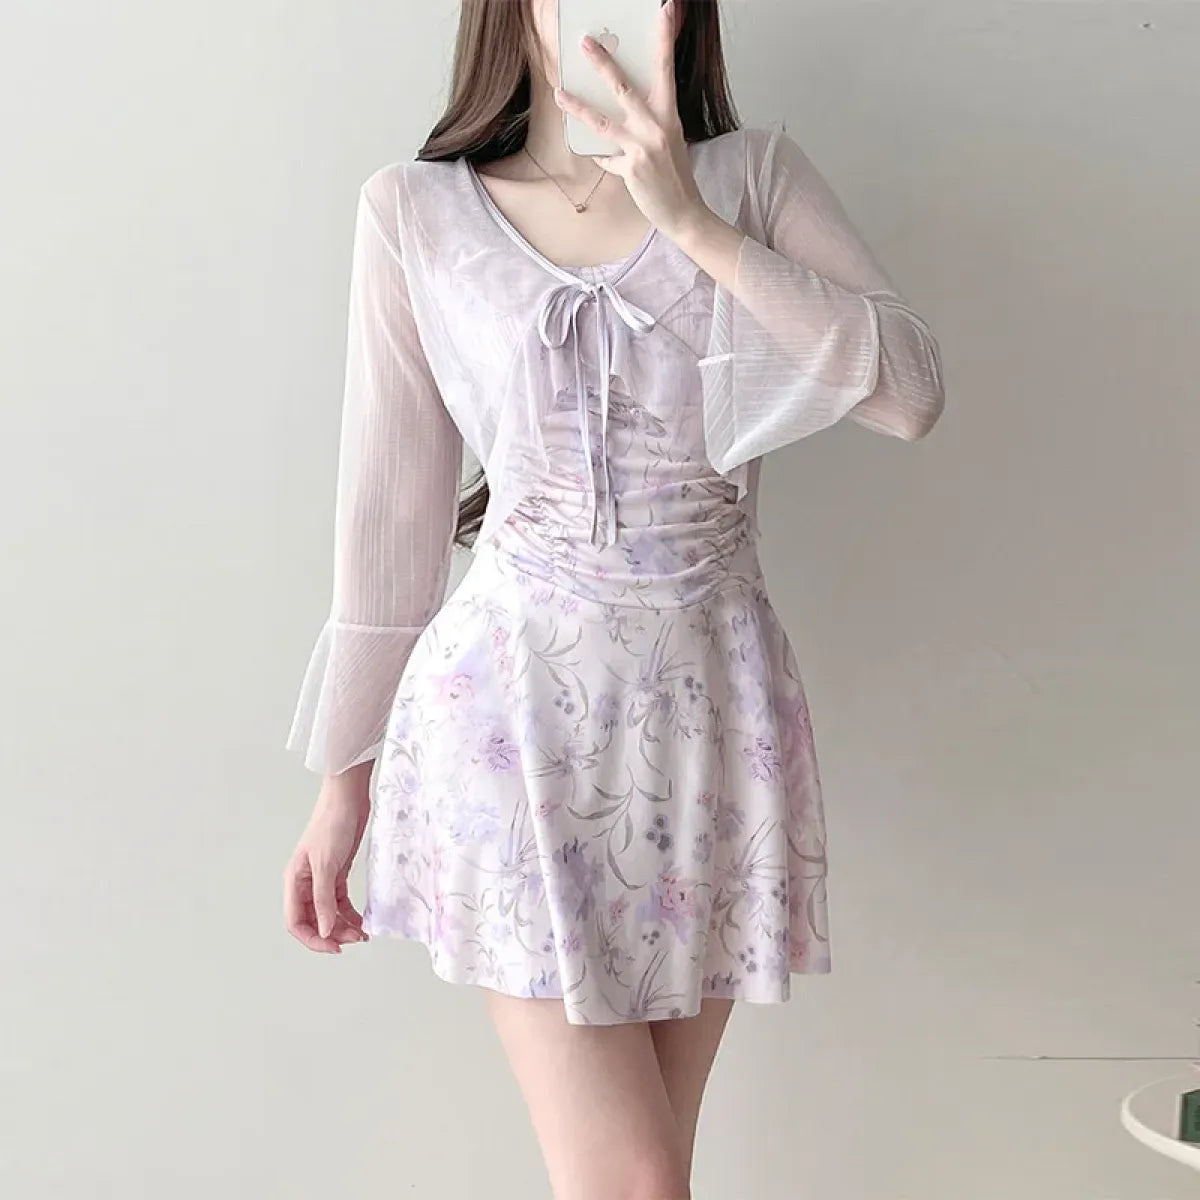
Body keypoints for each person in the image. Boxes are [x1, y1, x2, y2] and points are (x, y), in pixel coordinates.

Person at [282, 1, 945, 1196]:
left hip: (712, 725)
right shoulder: (414, 211)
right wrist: (345, 783)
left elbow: (910, 394)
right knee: (632, 1178)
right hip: (508, 723)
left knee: (649, 1177)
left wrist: (690, 221)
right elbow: (391, 521)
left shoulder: (752, 180)